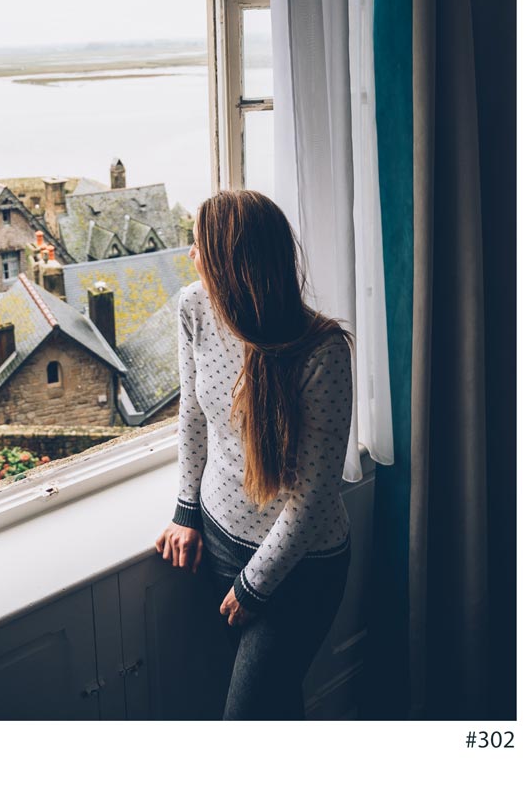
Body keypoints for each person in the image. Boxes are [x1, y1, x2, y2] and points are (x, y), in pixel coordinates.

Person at [151, 190, 352, 718]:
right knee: (274, 709)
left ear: (230, 264)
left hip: (299, 568)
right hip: (217, 544)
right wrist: (185, 512)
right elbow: (192, 414)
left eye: (198, 248)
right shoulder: (194, 306)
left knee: (246, 718)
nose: (191, 257)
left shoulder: (322, 351)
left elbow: (312, 497)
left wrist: (256, 584)